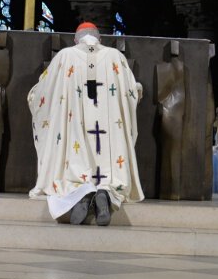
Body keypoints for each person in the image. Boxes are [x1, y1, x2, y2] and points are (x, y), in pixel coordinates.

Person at [28, 22, 145, 226]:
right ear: (99, 39)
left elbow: (43, 91)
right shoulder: (116, 56)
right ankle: (105, 192)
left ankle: (80, 191)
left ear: (76, 39)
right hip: (109, 129)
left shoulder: (65, 56)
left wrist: (32, 96)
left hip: (75, 125)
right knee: (110, 170)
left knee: (71, 166)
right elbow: (131, 91)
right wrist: (138, 89)